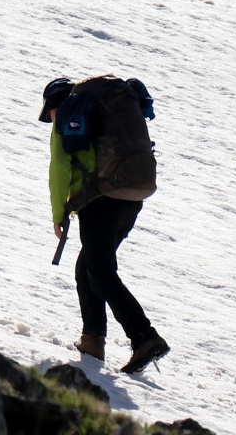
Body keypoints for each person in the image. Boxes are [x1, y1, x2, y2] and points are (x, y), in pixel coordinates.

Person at [41, 76, 169, 374]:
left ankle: (145, 337)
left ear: (55, 105)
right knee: (87, 269)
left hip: (100, 203)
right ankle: (92, 341)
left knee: (100, 273)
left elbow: (59, 167)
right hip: (130, 201)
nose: (51, 119)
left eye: (49, 113)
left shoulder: (70, 116)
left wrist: (59, 212)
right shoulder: (103, 114)